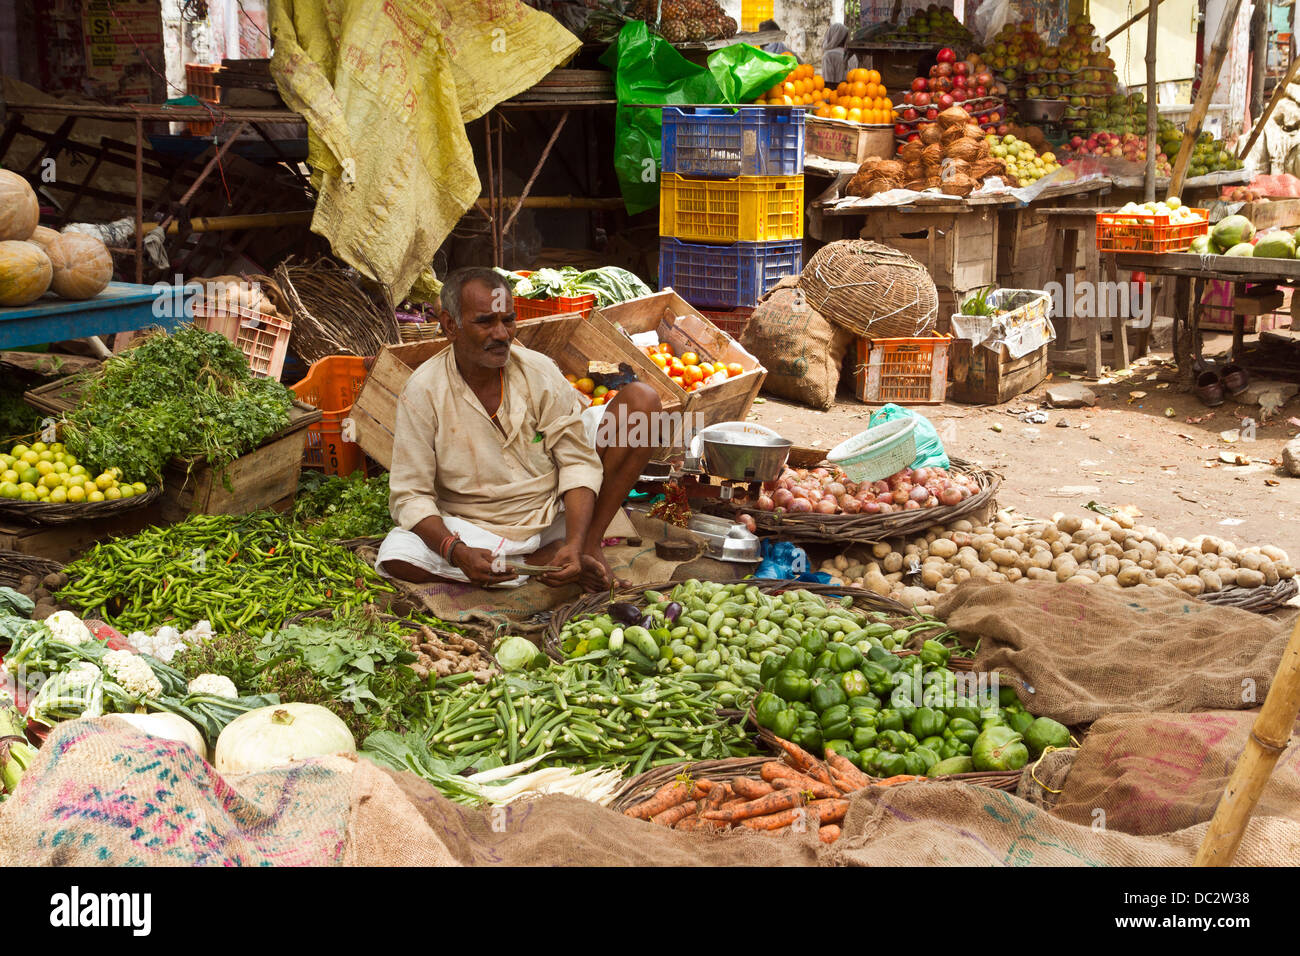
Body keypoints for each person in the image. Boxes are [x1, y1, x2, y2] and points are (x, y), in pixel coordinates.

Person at [376, 267, 661, 591]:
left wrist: (576, 538)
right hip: (474, 525)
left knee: (642, 404)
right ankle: (538, 562)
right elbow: (411, 495)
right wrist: (456, 552)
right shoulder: (423, 390)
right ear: (450, 326)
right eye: (485, 322)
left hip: (554, 512)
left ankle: (583, 548)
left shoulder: (538, 371)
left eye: (508, 320)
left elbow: (577, 462)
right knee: (398, 557)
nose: (501, 334)